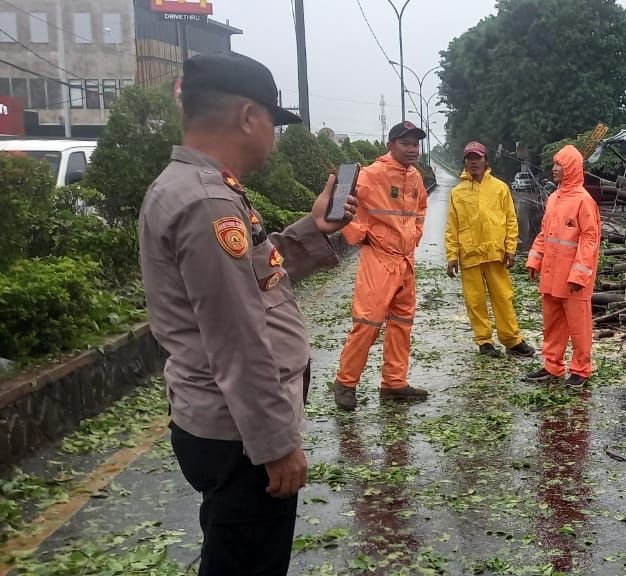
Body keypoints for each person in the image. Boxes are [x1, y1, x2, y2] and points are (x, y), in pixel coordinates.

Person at [139, 52, 357, 575]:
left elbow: (256, 276)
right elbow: (238, 337)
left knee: (234, 552)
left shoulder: (196, 188)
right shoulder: (207, 202)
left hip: (228, 427)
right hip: (240, 437)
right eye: (273, 122)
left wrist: (312, 228)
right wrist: (276, 446)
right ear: (246, 117)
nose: (274, 137)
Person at [332, 121, 432, 411]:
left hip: (404, 259)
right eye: (406, 143)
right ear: (391, 145)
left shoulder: (415, 177)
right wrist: (359, 236)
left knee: (402, 323)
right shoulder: (371, 174)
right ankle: (345, 383)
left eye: (415, 144)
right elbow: (342, 202)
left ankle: (394, 382)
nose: (413, 149)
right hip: (379, 257)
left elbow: (421, 210)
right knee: (368, 322)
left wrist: (415, 236)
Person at [446, 141, 538, 358]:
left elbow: (510, 220)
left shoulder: (499, 188)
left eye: (477, 158)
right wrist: (452, 256)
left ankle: (512, 340)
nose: (473, 162)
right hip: (469, 254)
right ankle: (484, 341)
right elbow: (452, 227)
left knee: (503, 298)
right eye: (469, 158)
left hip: (496, 253)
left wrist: (511, 248)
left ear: (486, 161)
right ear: (465, 162)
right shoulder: (457, 193)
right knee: (475, 301)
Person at [524, 145, 600, 388]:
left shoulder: (583, 201)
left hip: (573, 279)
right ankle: (552, 365)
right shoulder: (554, 198)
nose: (555, 168)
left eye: (560, 165)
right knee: (552, 323)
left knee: (579, 327)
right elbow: (545, 234)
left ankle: (581, 368)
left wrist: (580, 274)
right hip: (551, 274)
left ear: (571, 169)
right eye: (555, 164)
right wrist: (535, 260)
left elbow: (590, 240)